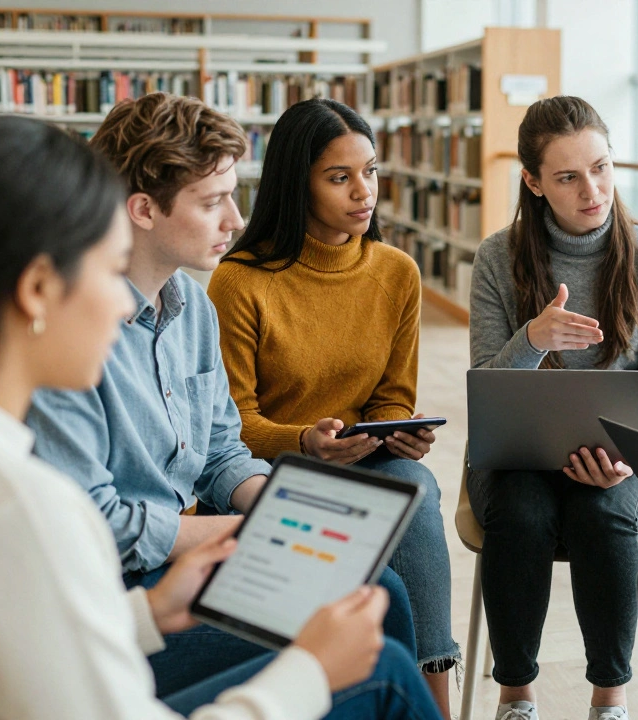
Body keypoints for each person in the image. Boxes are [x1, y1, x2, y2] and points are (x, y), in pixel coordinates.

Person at [0, 115, 443, 720]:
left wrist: (149, 613)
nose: (120, 303)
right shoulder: (27, 509)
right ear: (38, 289)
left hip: (152, 582)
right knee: (379, 666)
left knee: (376, 590)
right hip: (138, 566)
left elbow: (34, 647)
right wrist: (311, 672)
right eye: (102, 267)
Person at [207, 98, 458, 716]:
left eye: (369, 171)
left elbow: (393, 396)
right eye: (339, 177)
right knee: (385, 566)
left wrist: (399, 431)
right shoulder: (240, 280)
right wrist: (304, 441)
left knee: (417, 485)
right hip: (274, 470)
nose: (362, 191)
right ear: (298, 183)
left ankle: (436, 702)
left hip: (363, 455)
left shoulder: (396, 272)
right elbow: (232, 424)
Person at [467, 95, 638, 720]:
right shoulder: (496, 258)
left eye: (601, 166)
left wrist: (627, 454)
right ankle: (516, 698)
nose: (592, 189)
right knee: (520, 510)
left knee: (603, 513)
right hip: (518, 459)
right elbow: (487, 386)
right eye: (567, 177)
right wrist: (532, 340)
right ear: (534, 183)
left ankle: (609, 702)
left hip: (623, 458)